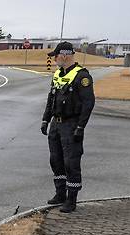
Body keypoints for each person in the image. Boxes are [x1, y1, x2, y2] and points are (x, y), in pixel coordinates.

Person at [41, 41, 95, 213]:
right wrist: (45, 119)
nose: (55, 59)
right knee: (55, 160)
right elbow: (51, 98)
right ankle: (60, 193)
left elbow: (88, 103)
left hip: (71, 124)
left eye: (55, 56)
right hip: (56, 124)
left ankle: (71, 199)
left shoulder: (82, 76)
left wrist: (81, 127)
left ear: (64, 55)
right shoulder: (58, 74)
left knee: (71, 162)